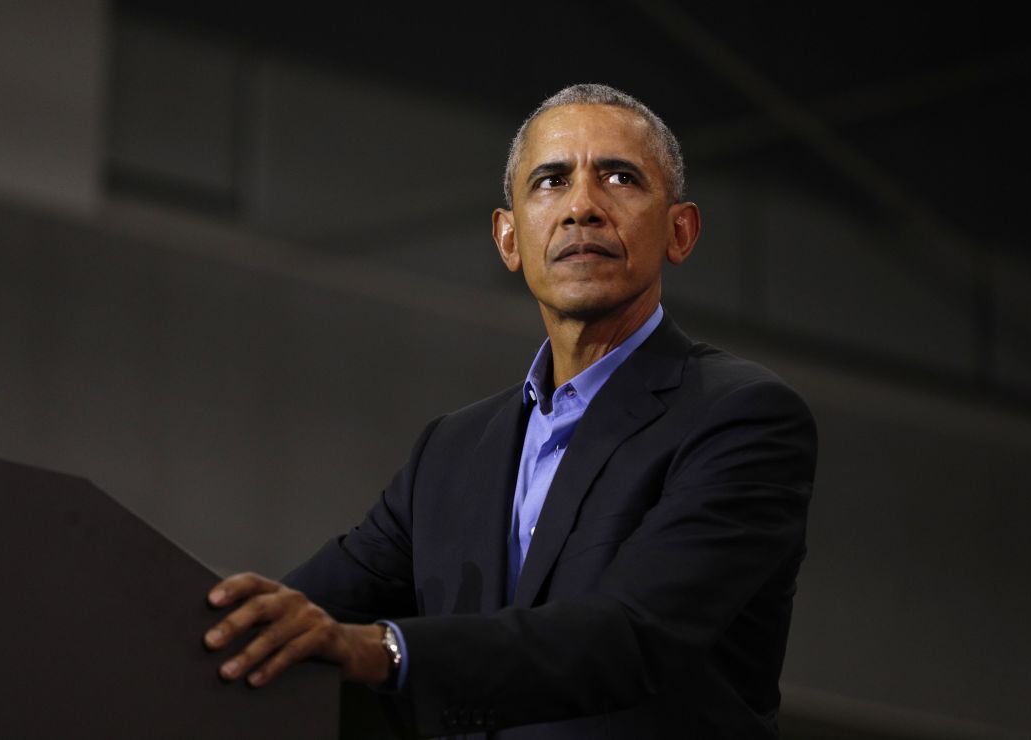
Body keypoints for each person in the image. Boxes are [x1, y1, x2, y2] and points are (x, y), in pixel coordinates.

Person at [203, 84, 817, 739]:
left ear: (680, 230)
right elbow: (302, 611)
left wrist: (380, 650)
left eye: (620, 177)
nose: (583, 206)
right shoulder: (452, 451)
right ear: (508, 238)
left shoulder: (743, 418)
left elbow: (631, 636)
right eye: (552, 181)